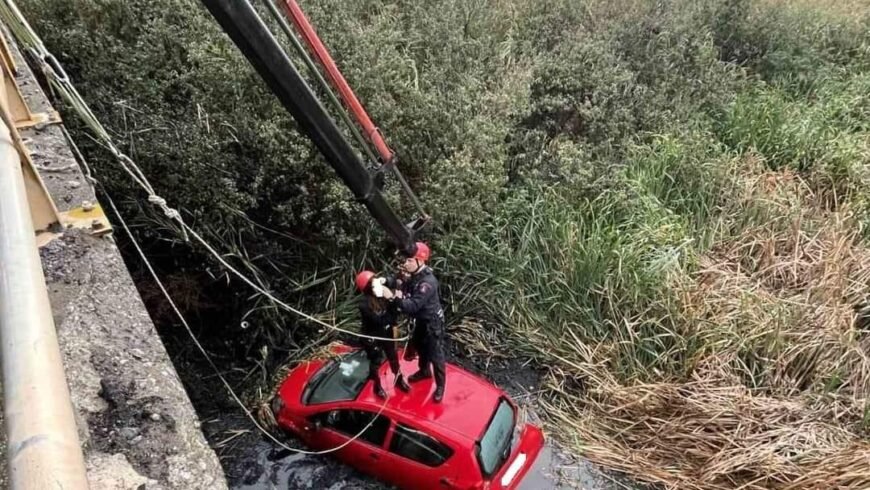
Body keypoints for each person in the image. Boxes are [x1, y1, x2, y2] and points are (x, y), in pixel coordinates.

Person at [383, 242, 447, 403]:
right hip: (420, 320)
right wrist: (387, 281)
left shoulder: (427, 283)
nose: (406, 263)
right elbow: (401, 283)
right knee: (419, 346)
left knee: (436, 355)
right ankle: (424, 371)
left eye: (410, 261)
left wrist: (391, 297)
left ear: (421, 261)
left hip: (432, 323)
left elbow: (411, 306)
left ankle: (440, 387)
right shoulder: (414, 275)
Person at [355, 270, 411, 399]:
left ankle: (398, 380)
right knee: (376, 361)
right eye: (372, 284)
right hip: (373, 336)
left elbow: (394, 280)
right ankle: (377, 386)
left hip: (386, 332)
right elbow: (381, 320)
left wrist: (392, 286)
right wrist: (393, 304)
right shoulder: (364, 304)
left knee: (393, 357)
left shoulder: (381, 292)